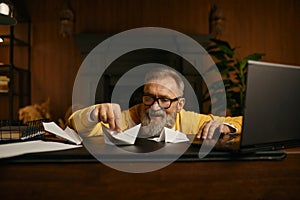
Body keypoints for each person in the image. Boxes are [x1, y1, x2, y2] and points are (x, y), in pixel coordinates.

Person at [68, 67, 243, 140]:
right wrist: (94, 113)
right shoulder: (128, 117)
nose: (154, 107)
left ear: (180, 104)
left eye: (165, 100)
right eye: (149, 97)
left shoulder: (192, 121)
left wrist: (226, 127)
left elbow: (243, 122)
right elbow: (75, 124)